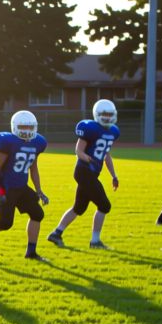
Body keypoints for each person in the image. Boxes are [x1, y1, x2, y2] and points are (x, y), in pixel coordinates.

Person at [47, 98, 120, 249]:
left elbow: (106, 155)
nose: (107, 117)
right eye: (104, 114)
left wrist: (114, 175)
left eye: (109, 114)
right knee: (104, 205)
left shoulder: (113, 131)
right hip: (84, 171)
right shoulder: (90, 128)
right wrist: (87, 158)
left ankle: (56, 233)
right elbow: (78, 150)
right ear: (97, 114)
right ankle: (95, 241)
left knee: (79, 208)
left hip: (91, 173)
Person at [0, 109, 50, 259]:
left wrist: (39, 190)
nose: (27, 130)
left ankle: (31, 252)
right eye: (23, 127)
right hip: (6, 188)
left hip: (21, 187)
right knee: (5, 223)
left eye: (30, 127)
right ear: (15, 127)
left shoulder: (37, 143)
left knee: (37, 214)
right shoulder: (9, 142)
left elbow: (33, 168)